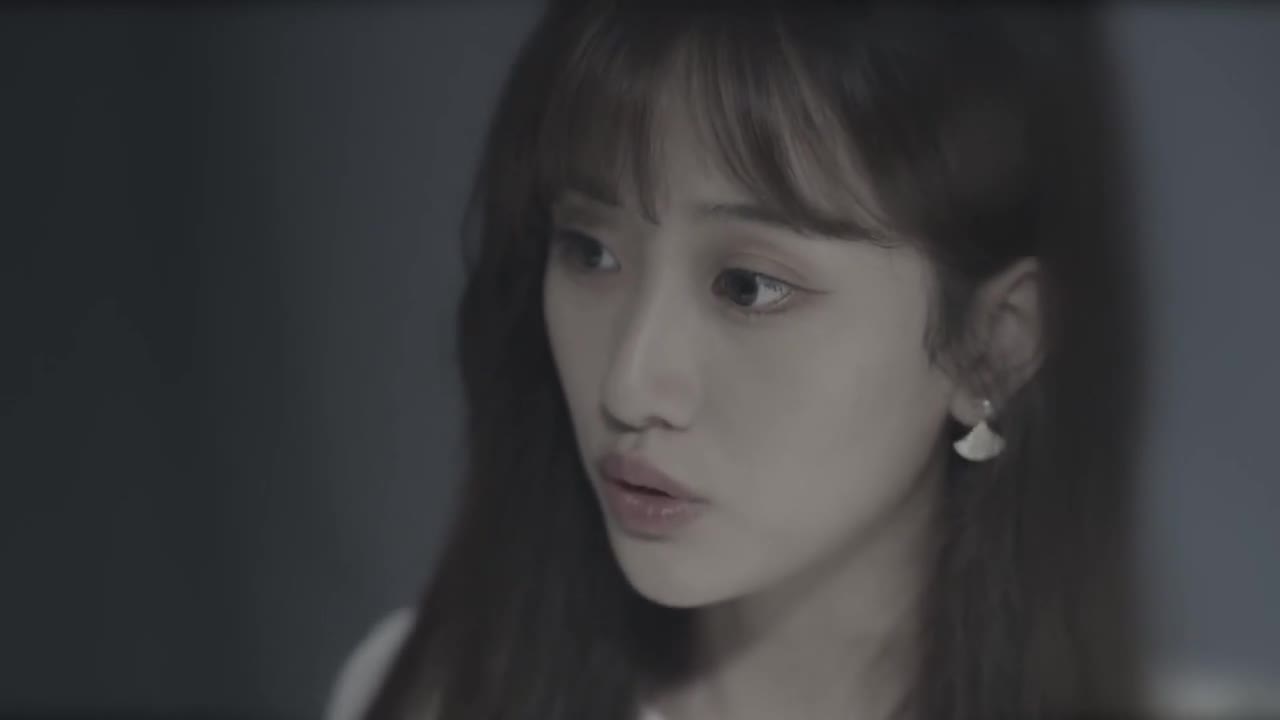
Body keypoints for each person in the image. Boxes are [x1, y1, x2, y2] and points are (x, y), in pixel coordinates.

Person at [328, 2, 1180, 718]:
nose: (629, 384)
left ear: (991, 348)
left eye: (748, 287)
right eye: (590, 251)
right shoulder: (430, 692)